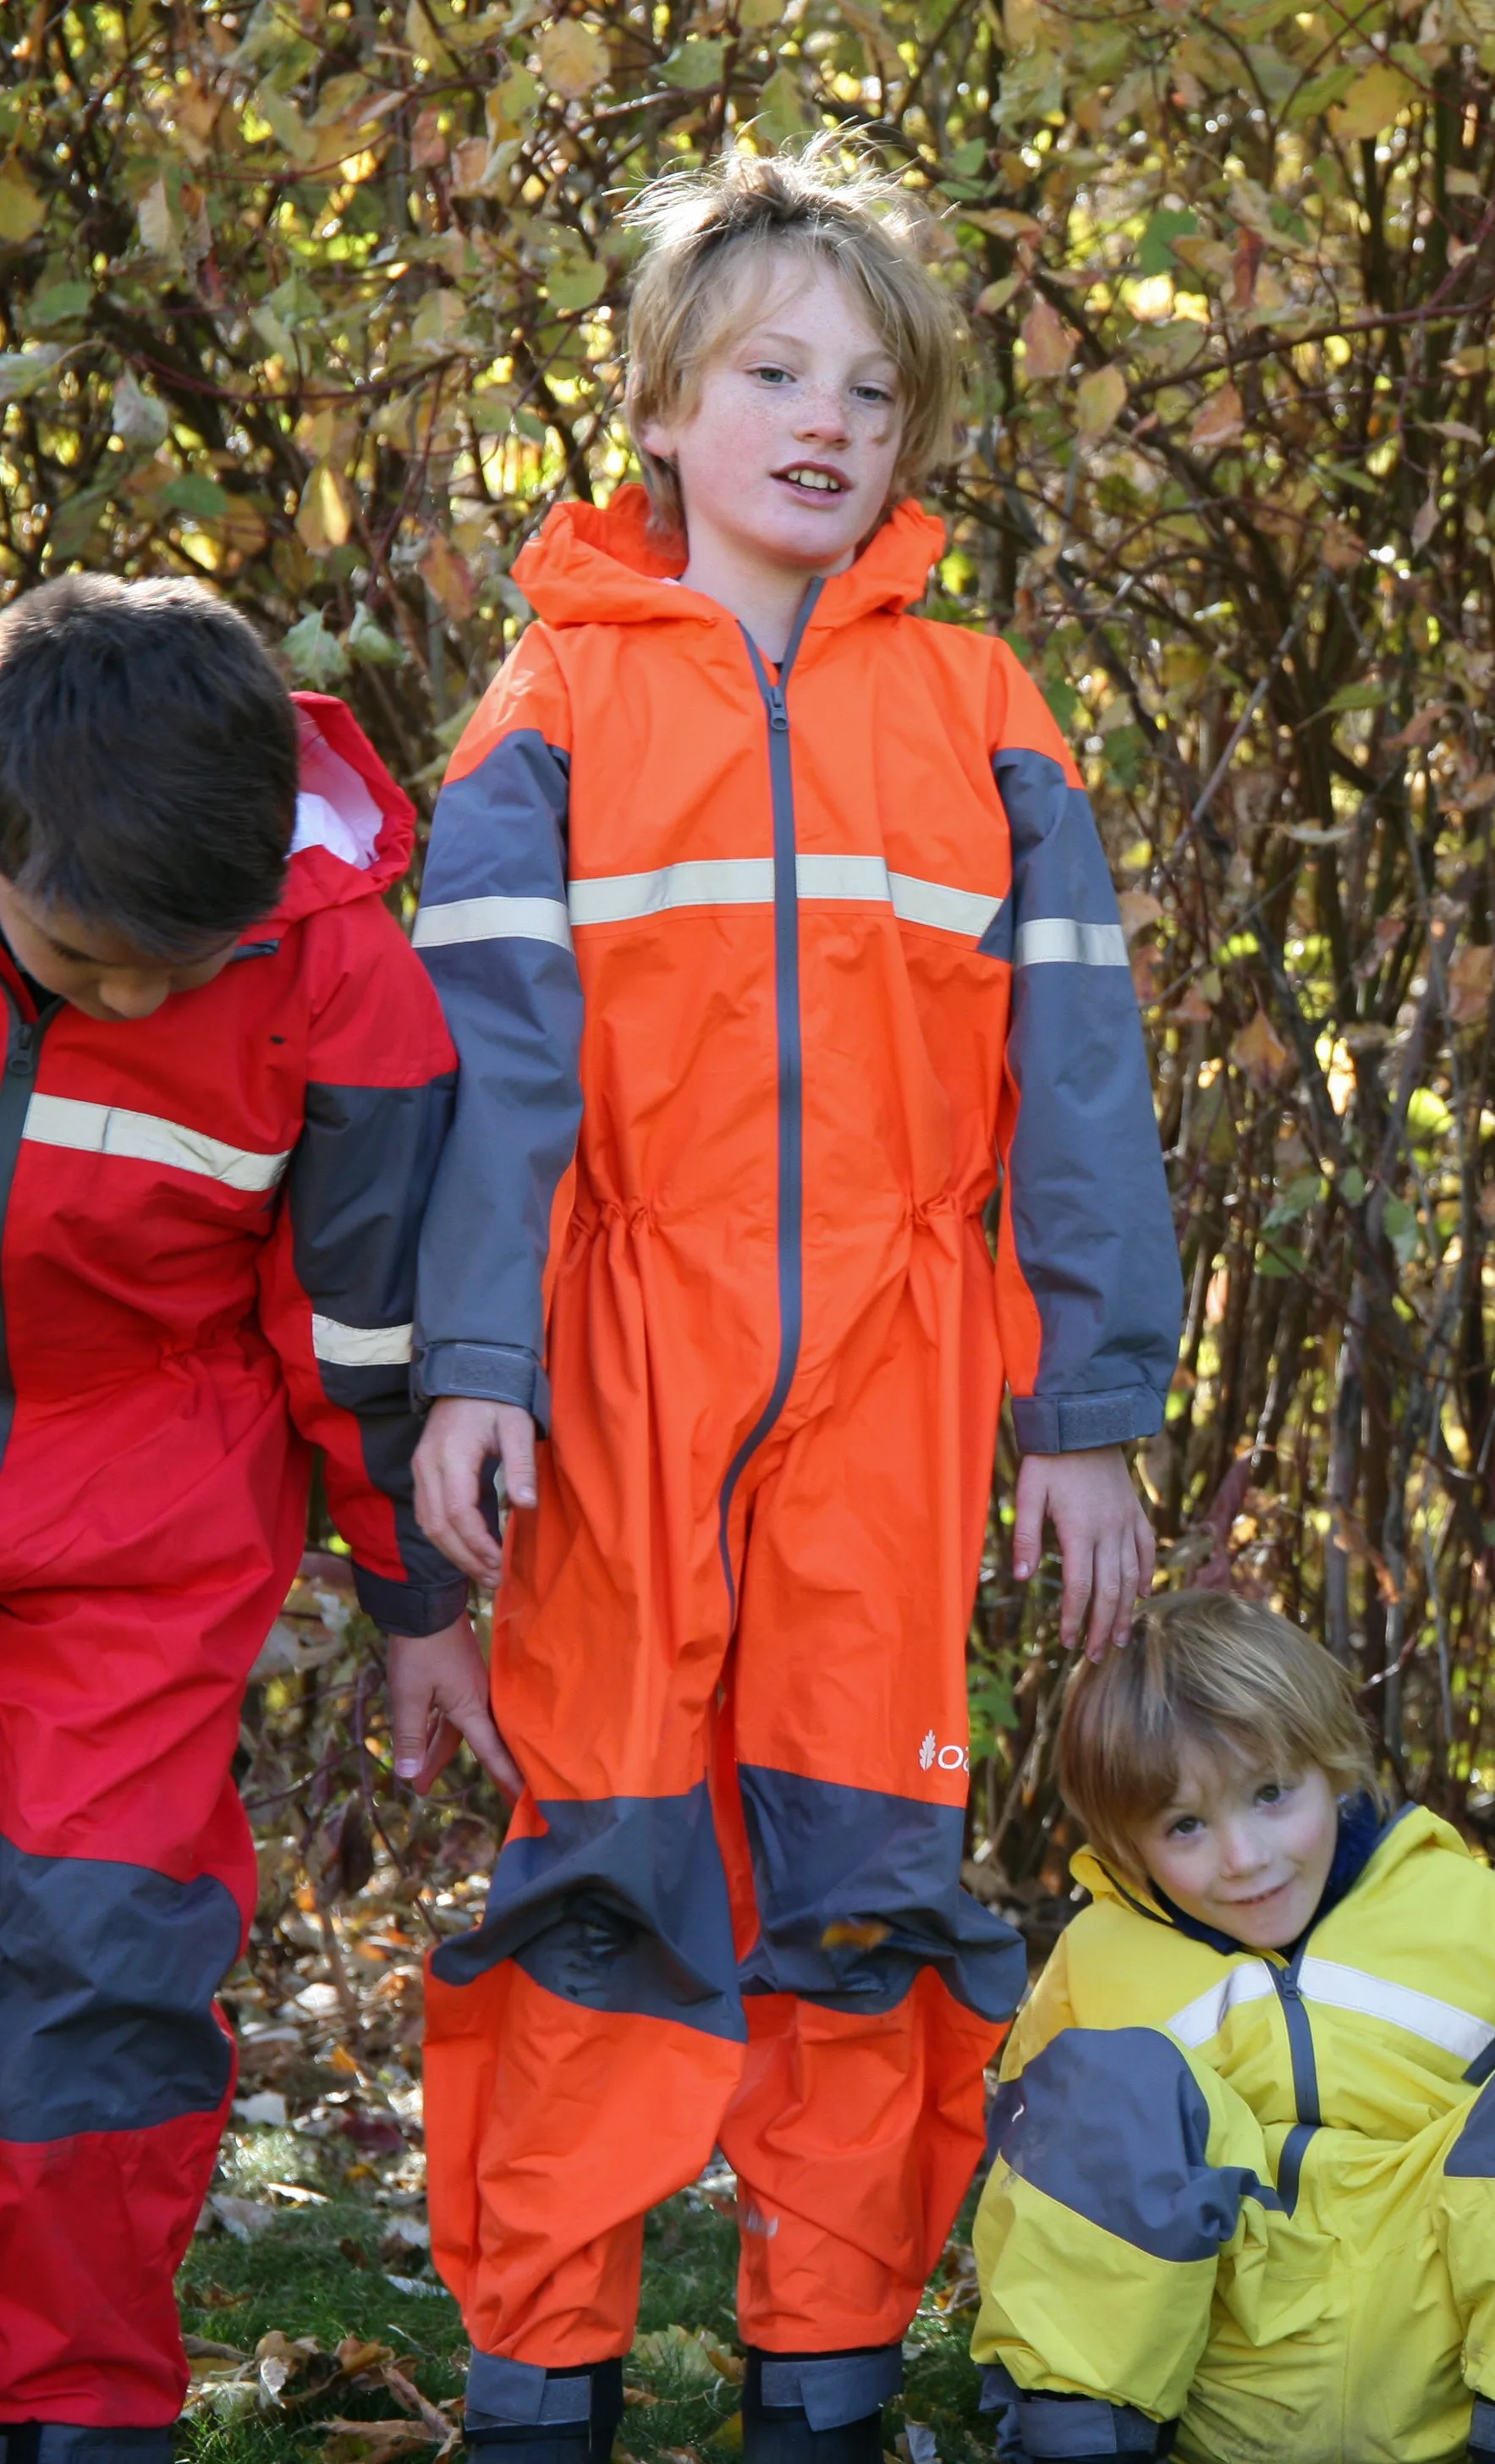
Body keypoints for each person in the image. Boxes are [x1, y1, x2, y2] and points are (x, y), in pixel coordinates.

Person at [404, 142, 1184, 2464]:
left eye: (872, 387)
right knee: (606, 1881)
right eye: (771, 372)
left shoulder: (981, 706)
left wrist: (1086, 1406)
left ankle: (819, 2381)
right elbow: (480, 1103)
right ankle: (541, 2384)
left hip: (898, 1380)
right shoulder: (544, 710)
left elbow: (1080, 1081)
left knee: (863, 1887)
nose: (825, 422)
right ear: (660, 403)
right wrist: (466, 1373)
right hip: (611, 1386)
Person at [0, 576, 481, 2461]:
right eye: (81, 954)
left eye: (173, 970)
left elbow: (361, 1327)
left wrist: (415, 1595)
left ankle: (82, 2405)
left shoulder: (349, 981)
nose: (129, 1000)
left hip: (146, 1525)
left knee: (104, 1958)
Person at [970, 1592, 1495, 2464]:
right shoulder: (1098, 1957)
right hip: (1205, 2360)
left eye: (1272, 1793)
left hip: (1444, 2344)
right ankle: (1084, 2446)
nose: (1245, 1857)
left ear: (1337, 1767)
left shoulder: (1471, 1912)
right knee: (1105, 2085)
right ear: (1128, 1843)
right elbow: (1037, 2199)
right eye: (1187, 1824)